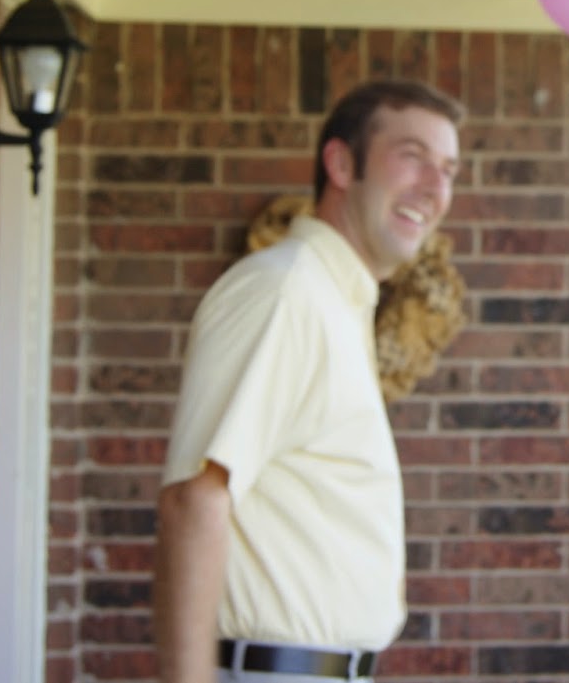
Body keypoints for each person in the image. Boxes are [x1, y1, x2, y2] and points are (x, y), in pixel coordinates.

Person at [154, 79, 464, 683]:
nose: (435, 187)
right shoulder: (287, 291)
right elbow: (194, 501)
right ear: (342, 164)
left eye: (448, 170)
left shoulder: (334, 299)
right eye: (413, 157)